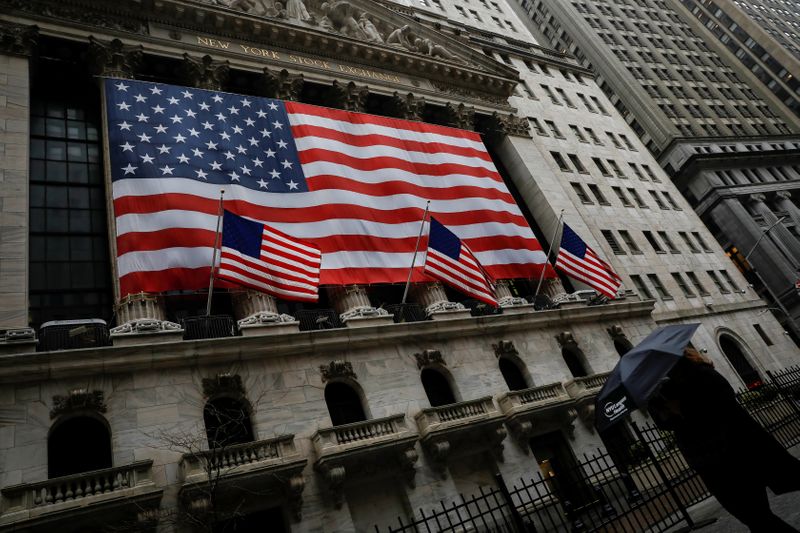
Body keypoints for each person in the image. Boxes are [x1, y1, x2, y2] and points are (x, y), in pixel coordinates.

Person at [649, 348, 800, 532]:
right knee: (755, 518)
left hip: (737, 452)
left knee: (758, 516)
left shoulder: (703, 375)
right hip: (711, 464)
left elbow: (723, 406)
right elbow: (666, 424)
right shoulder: (662, 391)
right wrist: (665, 411)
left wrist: (683, 410)